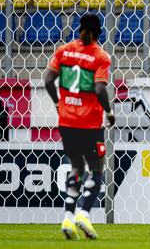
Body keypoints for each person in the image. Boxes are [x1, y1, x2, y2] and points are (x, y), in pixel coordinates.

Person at [45, 13, 115, 239]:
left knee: (76, 168)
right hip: (89, 122)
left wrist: (58, 103)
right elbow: (99, 90)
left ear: (80, 27)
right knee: (96, 170)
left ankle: (67, 217)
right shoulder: (100, 55)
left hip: (66, 120)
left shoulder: (63, 50)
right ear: (99, 29)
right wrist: (110, 112)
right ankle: (83, 212)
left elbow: (47, 80)